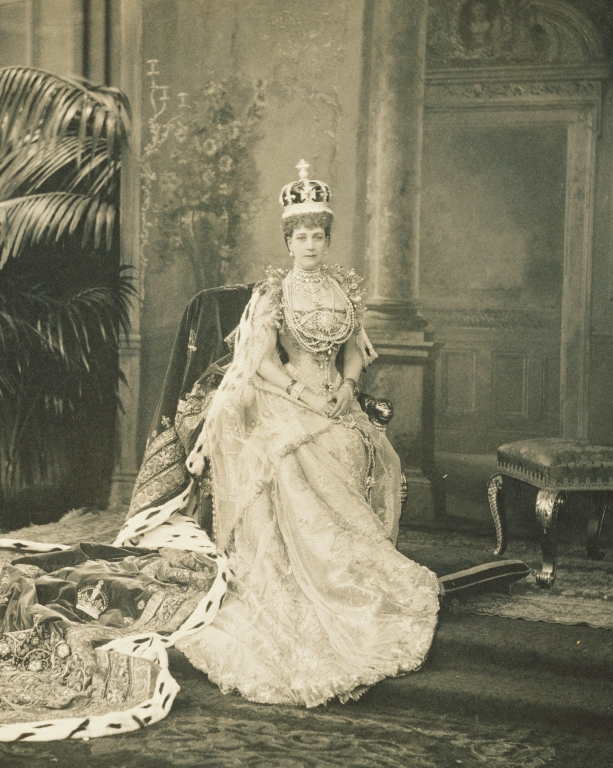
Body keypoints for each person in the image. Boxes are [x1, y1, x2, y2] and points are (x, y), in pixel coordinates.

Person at [174, 161, 441, 707]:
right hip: (286, 395)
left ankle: (352, 571)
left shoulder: (342, 289)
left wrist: (345, 386)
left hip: (334, 397)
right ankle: (301, 578)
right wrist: (302, 393)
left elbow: (352, 351)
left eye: (318, 235)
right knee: (298, 454)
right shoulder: (274, 292)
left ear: (326, 239)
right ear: (289, 241)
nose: (310, 244)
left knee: (365, 445)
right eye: (301, 236)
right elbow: (262, 360)